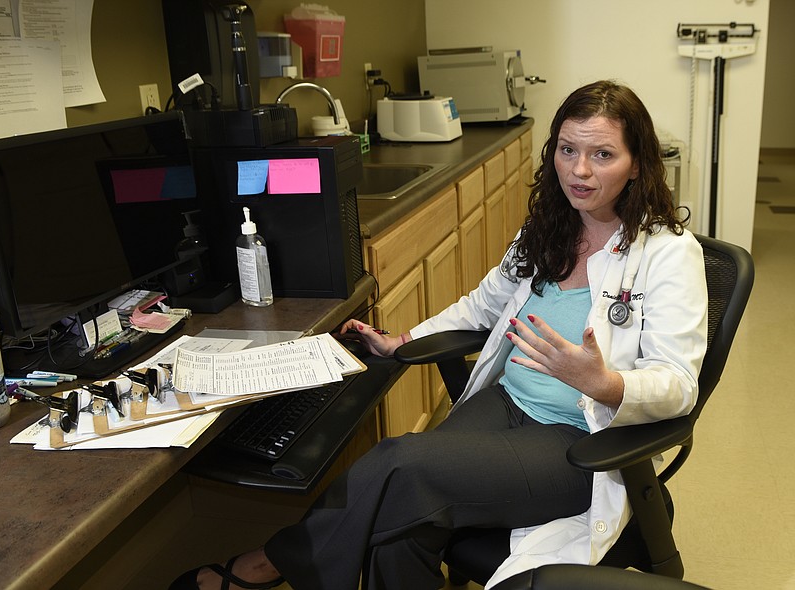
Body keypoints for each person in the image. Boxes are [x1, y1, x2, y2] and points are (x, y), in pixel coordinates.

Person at [169, 80, 708, 590]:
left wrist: (604, 382)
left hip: (579, 440)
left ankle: (266, 565)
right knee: (402, 526)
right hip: (504, 405)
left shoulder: (666, 253)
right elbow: (481, 307)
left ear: (637, 165)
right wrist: (404, 340)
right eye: (567, 150)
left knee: (401, 464)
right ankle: (273, 566)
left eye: (602, 155)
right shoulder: (549, 228)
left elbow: (680, 384)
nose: (580, 171)